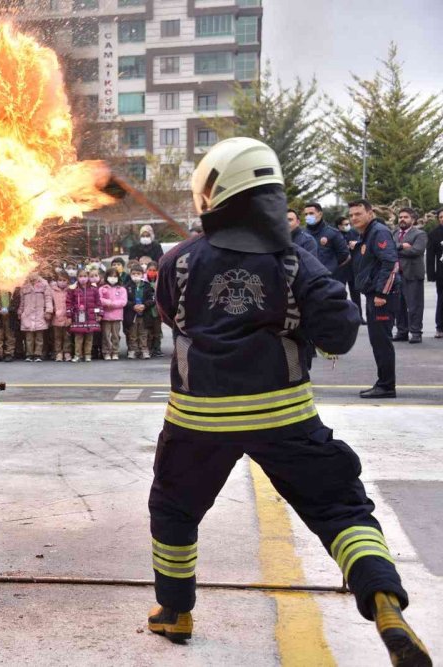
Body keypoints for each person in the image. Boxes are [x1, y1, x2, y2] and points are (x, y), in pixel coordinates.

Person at [148, 138, 430, 667]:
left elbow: (171, 317)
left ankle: (175, 611)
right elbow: (342, 332)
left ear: (213, 193)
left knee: (174, 510)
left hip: (198, 419)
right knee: (339, 507)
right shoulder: (296, 262)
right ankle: (385, 601)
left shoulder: (179, 261)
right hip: (286, 416)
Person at [350, 200, 400, 399]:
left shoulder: (378, 232)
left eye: (358, 213)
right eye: (351, 214)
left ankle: (387, 386)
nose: (354, 218)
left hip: (382, 298)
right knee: (378, 342)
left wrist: (382, 294)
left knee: (382, 342)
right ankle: (384, 383)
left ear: (369, 213)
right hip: (373, 295)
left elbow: (391, 262)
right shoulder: (367, 233)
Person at [392, 207, 427, 344]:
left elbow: (416, 251)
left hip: (412, 274)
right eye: (400, 217)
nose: (402, 219)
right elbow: (388, 248)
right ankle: (402, 332)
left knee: (414, 305)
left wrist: (396, 249)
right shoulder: (394, 232)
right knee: (398, 305)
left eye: (406, 217)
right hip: (396, 275)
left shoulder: (420, 234)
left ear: (413, 220)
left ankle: (416, 332)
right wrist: (402, 246)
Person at [304, 202, 350, 280]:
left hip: (328, 279)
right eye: (306, 214)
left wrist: (331, 266)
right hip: (308, 279)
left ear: (320, 214)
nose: (308, 216)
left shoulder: (333, 233)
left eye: (311, 213)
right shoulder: (303, 234)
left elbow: (344, 254)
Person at [18, 273, 53, 362]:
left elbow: (48, 299)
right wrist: (20, 311)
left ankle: (38, 354)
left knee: (39, 337)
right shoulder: (24, 285)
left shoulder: (44, 284)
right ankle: (29, 354)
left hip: (39, 314)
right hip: (27, 315)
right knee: (29, 337)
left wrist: (48, 311)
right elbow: (22, 301)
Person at [66, 270, 100, 362]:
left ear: (88, 277)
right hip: (78, 317)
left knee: (89, 337)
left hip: (91, 316)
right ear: (77, 277)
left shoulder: (94, 289)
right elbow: (68, 303)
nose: (83, 278)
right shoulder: (73, 289)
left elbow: (98, 303)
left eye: (85, 276)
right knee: (78, 338)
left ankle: (88, 354)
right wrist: (69, 316)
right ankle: (78, 355)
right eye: (80, 276)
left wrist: (99, 314)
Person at [337, 216, 365, 324]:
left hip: (353, 267)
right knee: (340, 293)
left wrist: (356, 244)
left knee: (356, 293)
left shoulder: (353, 232)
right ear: (339, 226)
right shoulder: (336, 234)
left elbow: (361, 242)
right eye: (344, 224)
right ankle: (342, 317)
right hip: (341, 268)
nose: (347, 226)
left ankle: (359, 316)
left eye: (348, 223)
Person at [127, 265, 155, 360]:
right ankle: (133, 350)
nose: (136, 275)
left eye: (138, 274)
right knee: (133, 333)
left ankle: (144, 350)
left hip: (144, 314)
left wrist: (144, 305)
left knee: (143, 333)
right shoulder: (127, 286)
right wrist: (133, 306)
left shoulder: (147, 286)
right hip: (132, 314)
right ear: (130, 274)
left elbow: (152, 299)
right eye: (133, 274)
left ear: (142, 275)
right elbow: (125, 300)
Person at [99, 268, 128, 360]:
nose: (113, 278)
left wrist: (112, 304)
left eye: (115, 276)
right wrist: (108, 302)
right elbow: (99, 299)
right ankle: (106, 352)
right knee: (106, 335)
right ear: (106, 277)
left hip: (117, 316)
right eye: (111, 276)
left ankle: (115, 351)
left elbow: (123, 302)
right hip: (105, 316)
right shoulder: (102, 288)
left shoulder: (122, 289)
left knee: (115, 335)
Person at [428, 209, 443, 338]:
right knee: (442, 300)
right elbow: (430, 256)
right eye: (441, 217)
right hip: (441, 273)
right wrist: (431, 274)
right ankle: (440, 327)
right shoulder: (434, 234)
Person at [49, 273, 71, 362]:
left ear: (68, 281)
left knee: (67, 337)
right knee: (57, 337)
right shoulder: (52, 291)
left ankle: (67, 352)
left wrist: (70, 316)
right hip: (56, 318)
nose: (62, 282)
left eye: (64, 280)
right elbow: (50, 302)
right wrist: (53, 310)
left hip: (66, 318)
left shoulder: (70, 290)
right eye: (60, 280)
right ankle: (58, 353)